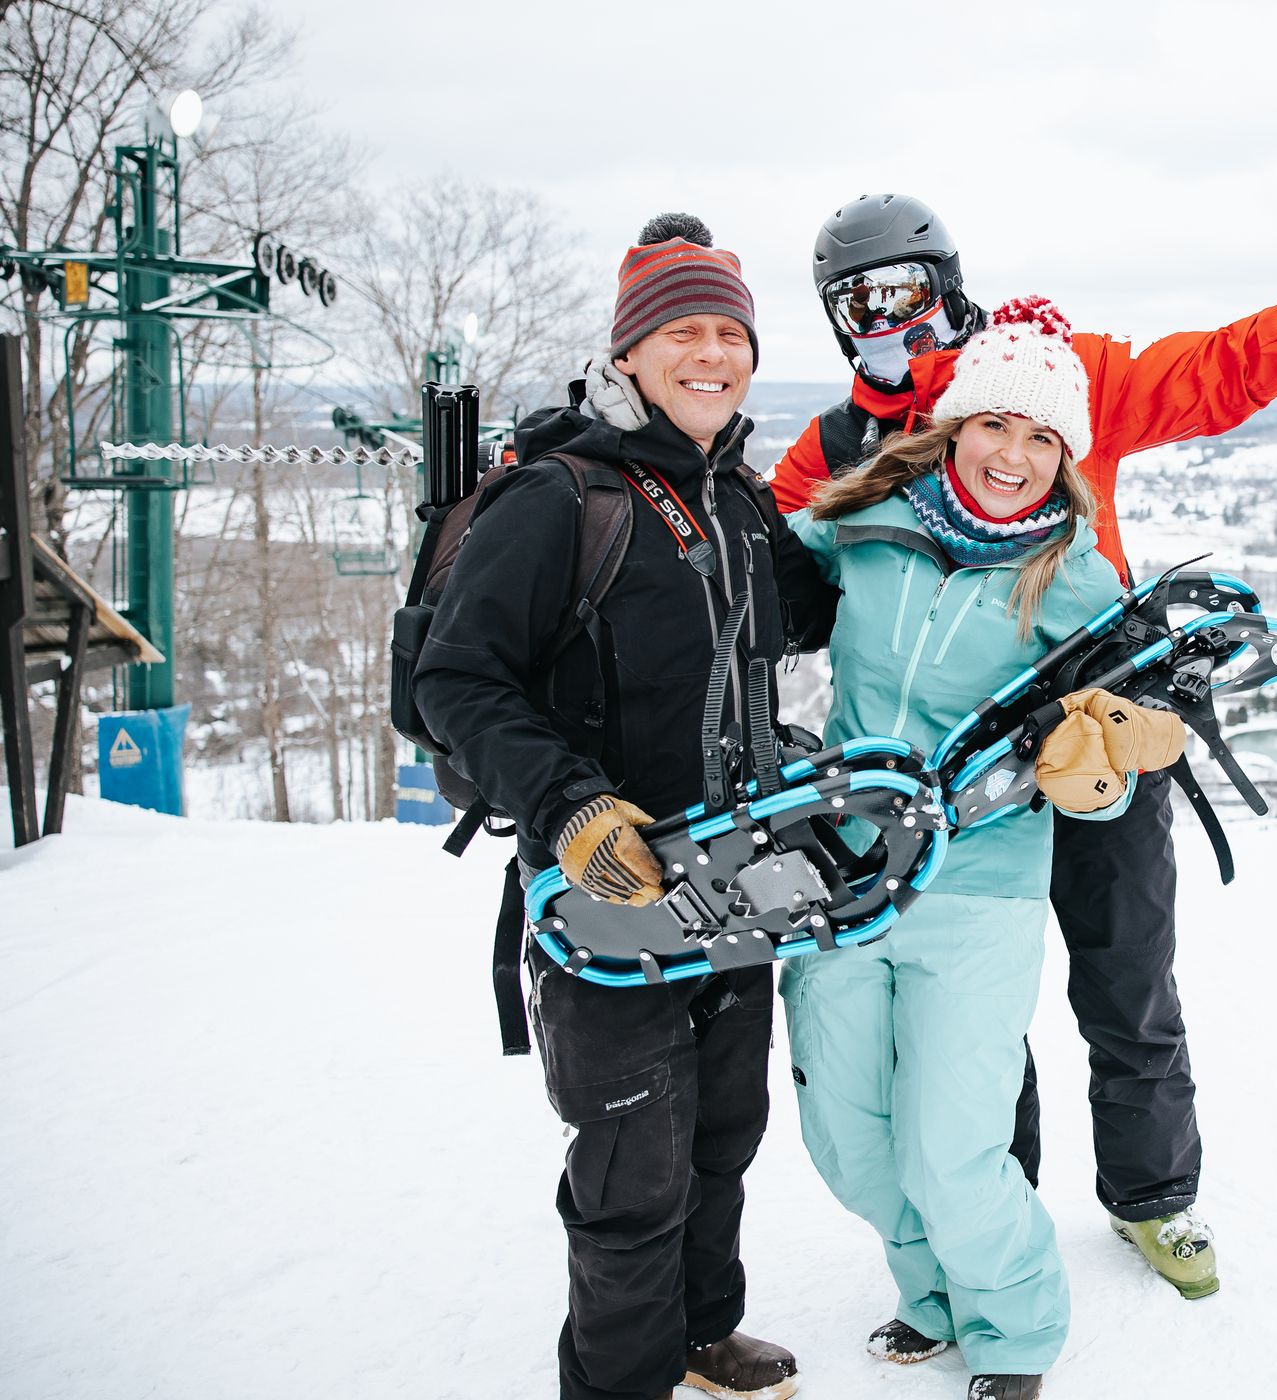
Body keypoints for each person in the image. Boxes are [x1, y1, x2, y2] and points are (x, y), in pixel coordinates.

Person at [770, 190, 1277, 1299]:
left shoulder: (1051, 372)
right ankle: (984, 1215)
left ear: (947, 284)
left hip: (1092, 732)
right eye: (858, 301)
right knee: (965, 1012)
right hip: (948, 790)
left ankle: (1153, 1196)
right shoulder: (833, 447)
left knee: (1127, 979)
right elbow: (750, 567)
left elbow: (1214, 372)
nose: (888, 317)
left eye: (906, 290)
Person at [414, 230, 835, 1400]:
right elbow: (455, 681)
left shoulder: (738, 498)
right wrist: (568, 803)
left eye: (731, 335)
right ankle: (619, 1382)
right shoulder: (563, 498)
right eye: (683, 332)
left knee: (720, 1138)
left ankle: (703, 1331)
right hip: (602, 897)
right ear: (631, 353)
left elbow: (813, 614)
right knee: (629, 1170)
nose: (712, 354)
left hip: (734, 884)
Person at [782, 296, 1187, 1400]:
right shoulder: (860, 522)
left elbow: (1119, 761)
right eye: (997, 425)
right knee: (851, 1140)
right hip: (845, 871)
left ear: (1068, 457)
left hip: (981, 886)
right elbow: (739, 601)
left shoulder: (1079, 581)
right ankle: (933, 1295)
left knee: (953, 1147)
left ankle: (1011, 1331)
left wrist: (1101, 773)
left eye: (1044, 436)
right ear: (954, 424)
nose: (1014, 455)